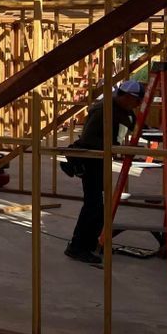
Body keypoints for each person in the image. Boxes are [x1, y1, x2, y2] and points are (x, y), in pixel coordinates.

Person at [63, 79, 145, 264]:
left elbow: (133, 126)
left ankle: (90, 244)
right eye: (137, 100)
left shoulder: (124, 110)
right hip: (91, 161)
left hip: (102, 161)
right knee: (93, 206)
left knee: (99, 207)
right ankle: (77, 247)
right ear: (127, 96)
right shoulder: (103, 110)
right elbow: (88, 138)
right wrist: (113, 148)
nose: (138, 104)